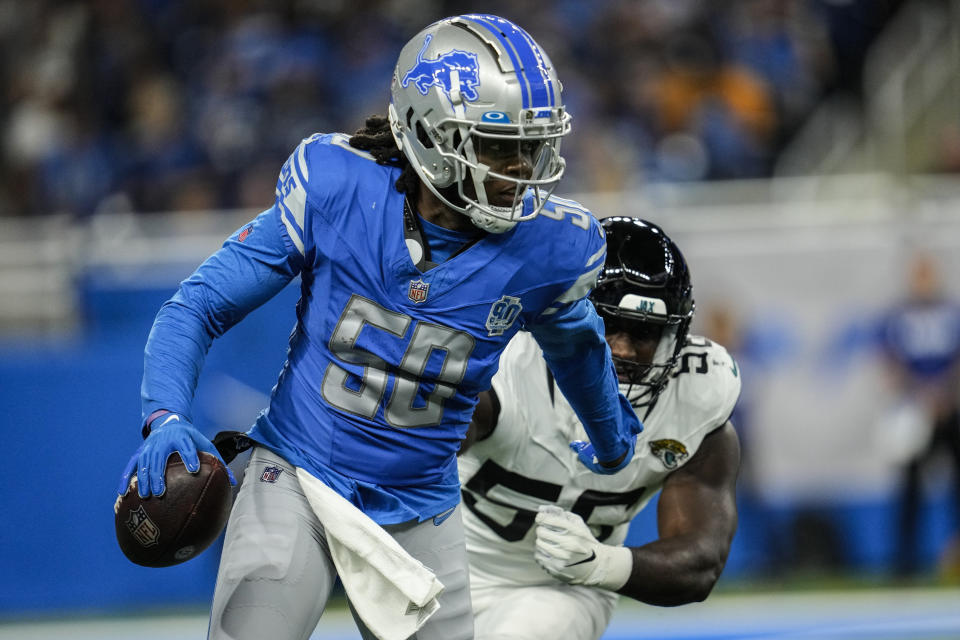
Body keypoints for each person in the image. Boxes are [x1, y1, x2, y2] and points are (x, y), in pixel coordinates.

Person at [116, 14, 642, 640]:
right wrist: (166, 414)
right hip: (302, 474)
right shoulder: (339, 186)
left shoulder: (553, 247)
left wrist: (611, 440)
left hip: (420, 505)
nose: (523, 170)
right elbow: (198, 305)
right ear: (428, 134)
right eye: (500, 146)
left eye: (533, 146)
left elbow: (578, 346)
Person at [459, 217, 741, 640]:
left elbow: (701, 563)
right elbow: (417, 448)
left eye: (644, 332)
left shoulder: (697, 395)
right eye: (608, 326)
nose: (624, 350)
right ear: (565, 316)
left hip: (562, 589)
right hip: (444, 563)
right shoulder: (508, 363)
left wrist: (601, 564)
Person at [877, 252, 960, 577]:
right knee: (910, 489)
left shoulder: (950, 311)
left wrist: (943, 393)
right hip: (914, 411)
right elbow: (890, 361)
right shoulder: (899, 315)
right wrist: (920, 393)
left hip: (949, 408)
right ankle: (905, 562)